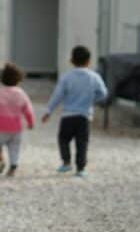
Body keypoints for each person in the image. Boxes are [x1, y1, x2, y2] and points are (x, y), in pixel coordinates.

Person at [41, 46, 108, 178]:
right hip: (85, 116)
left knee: (63, 139)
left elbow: (57, 95)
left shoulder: (66, 77)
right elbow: (103, 93)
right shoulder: (94, 77)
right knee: (82, 142)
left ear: (71, 60)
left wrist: (49, 111)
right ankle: (80, 169)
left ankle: (66, 162)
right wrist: (93, 100)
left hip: (68, 115)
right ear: (89, 61)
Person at [0, 63, 35, 177]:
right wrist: (31, 122)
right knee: (14, 148)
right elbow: (28, 109)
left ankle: (1, 160)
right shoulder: (21, 93)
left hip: (0, 126)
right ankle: (13, 166)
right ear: (19, 79)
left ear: (1, 79)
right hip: (17, 127)